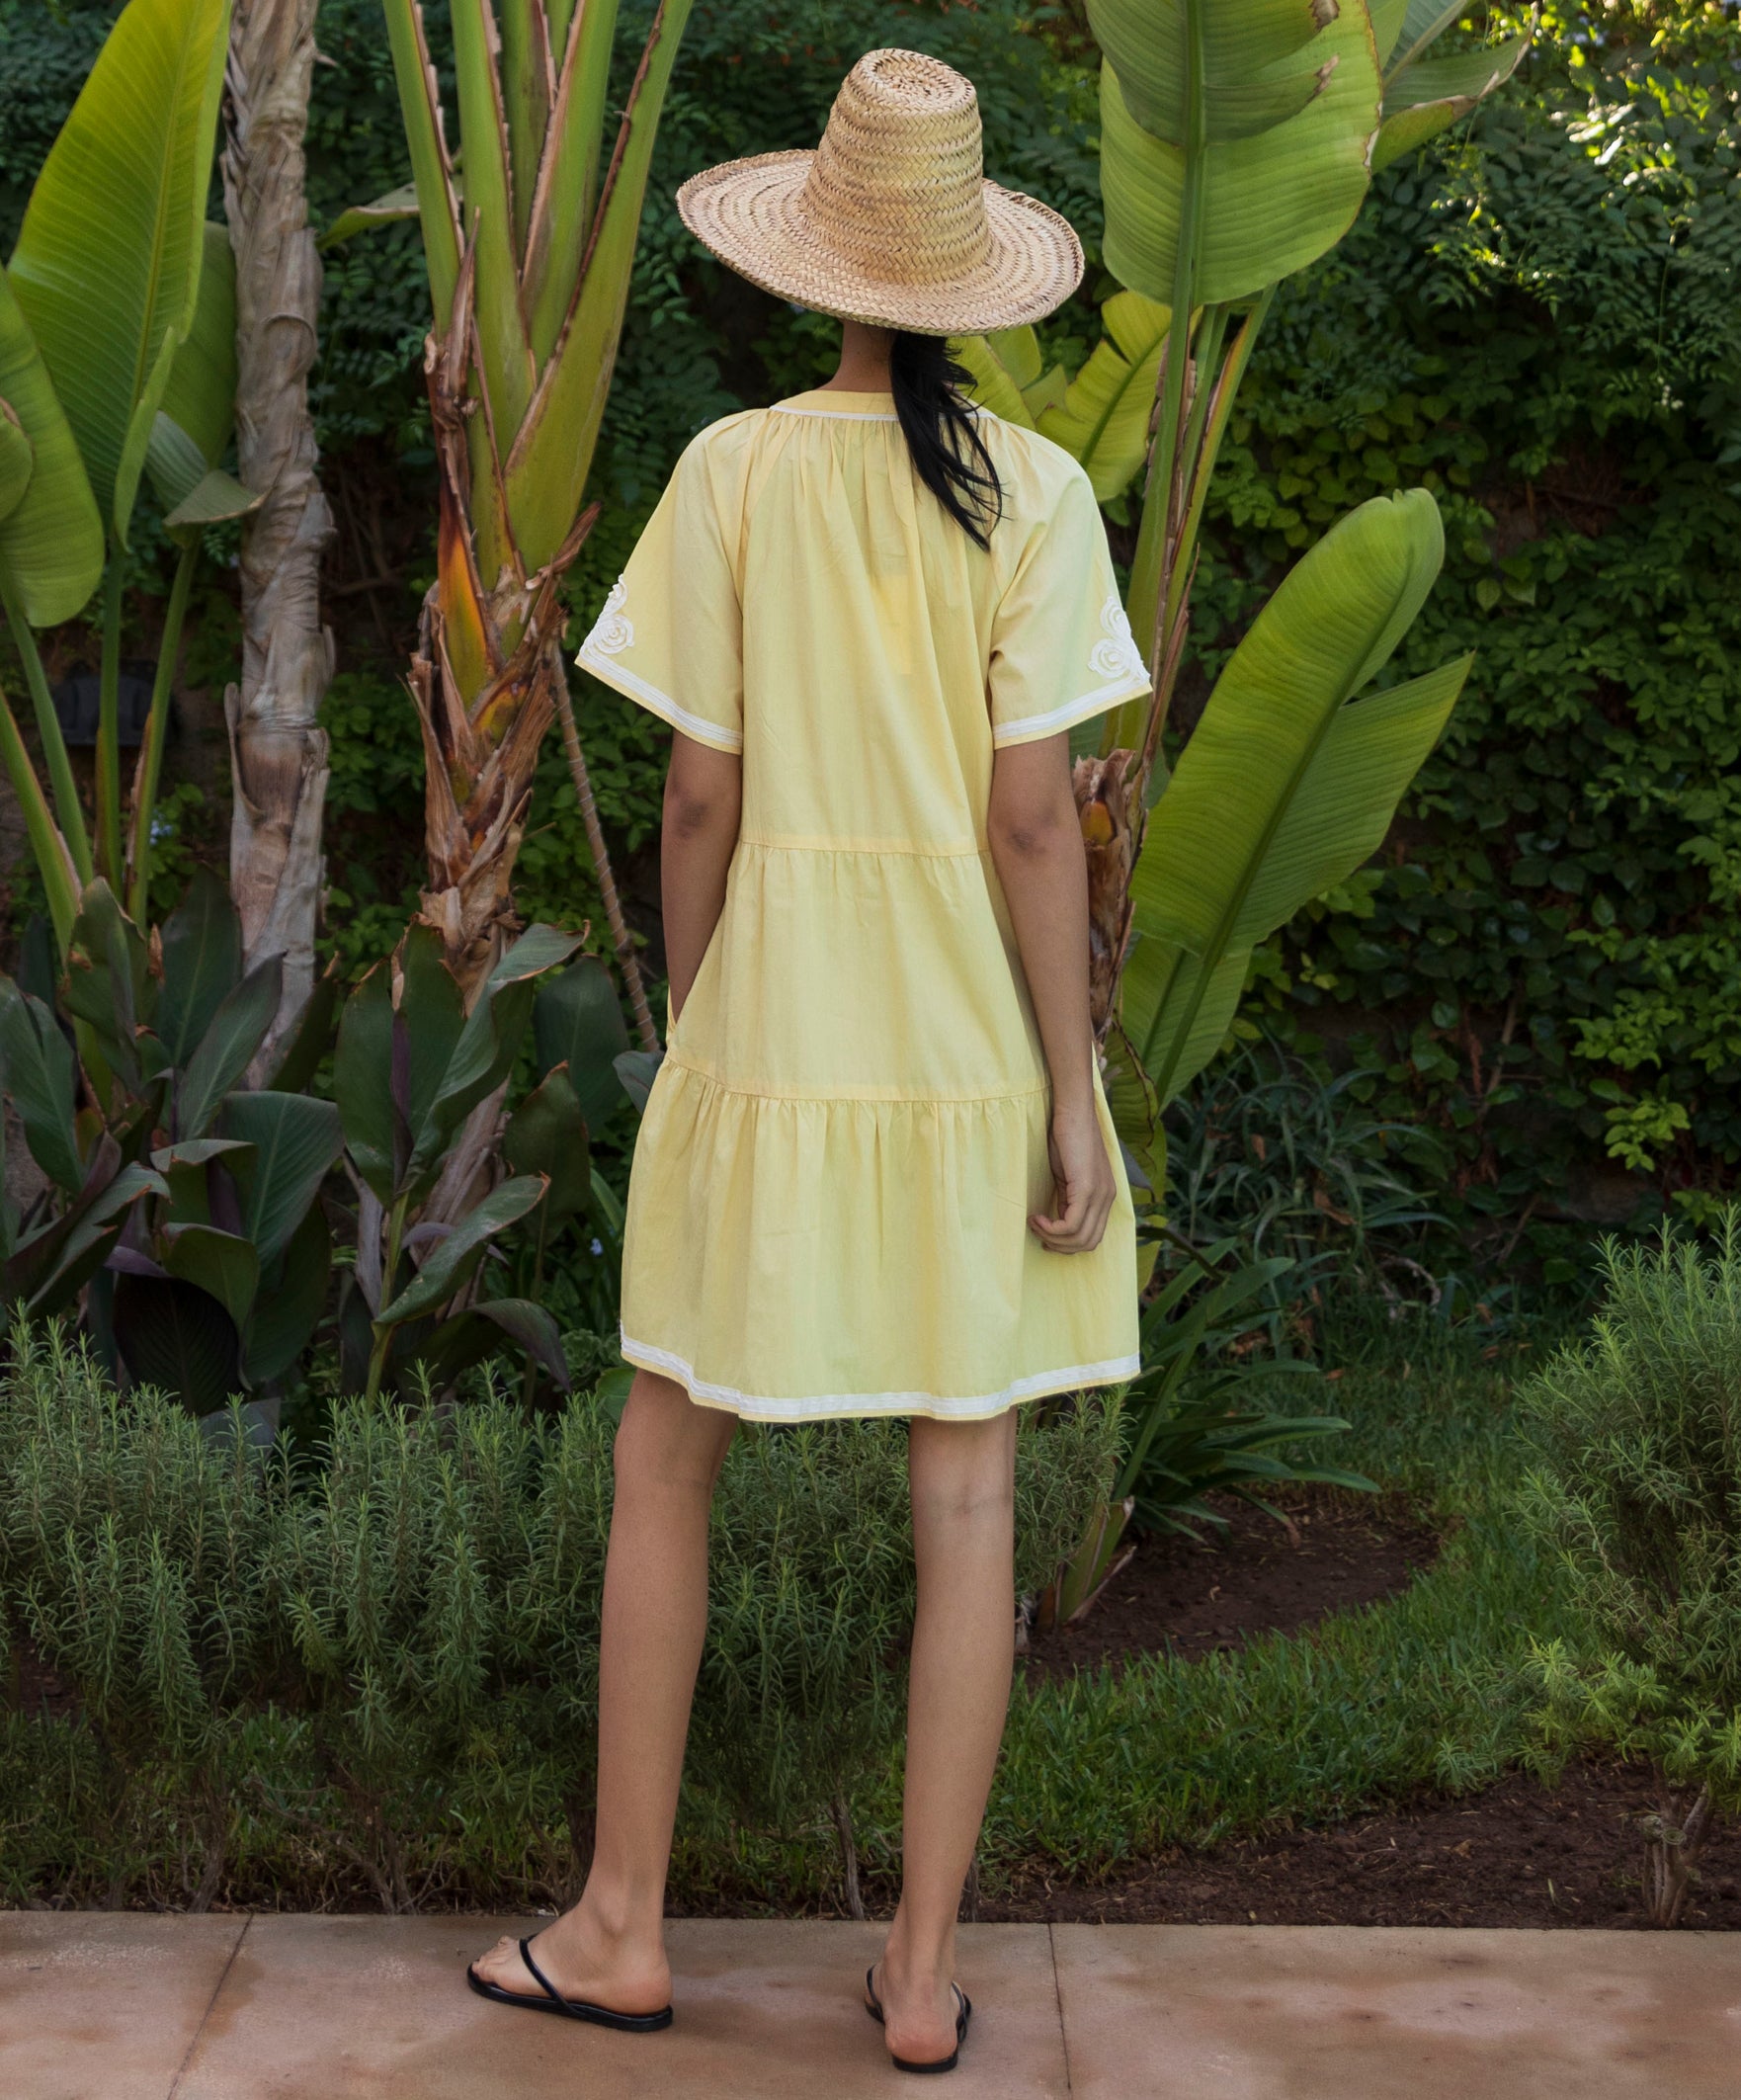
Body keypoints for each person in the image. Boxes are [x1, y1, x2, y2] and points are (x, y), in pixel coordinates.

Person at [468, 46, 1146, 2076]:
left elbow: (696, 799)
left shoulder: (736, 472)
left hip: (770, 1040)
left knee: (665, 1459)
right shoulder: (1031, 495)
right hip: (965, 1060)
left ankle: (617, 1925)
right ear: (970, 284)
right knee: (968, 1498)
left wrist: (699, 1022)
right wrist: (1061, 1084)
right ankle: (923, 1973)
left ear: (811, 271)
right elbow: (1039, 823)